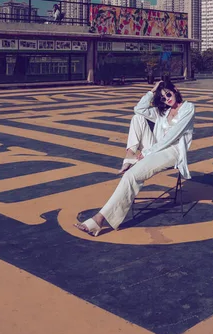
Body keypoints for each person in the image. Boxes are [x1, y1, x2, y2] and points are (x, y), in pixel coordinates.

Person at [74, 80, 195, 237]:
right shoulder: (163, 112)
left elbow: (172, 137)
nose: (167, 99)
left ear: (175, 90)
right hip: (157, 147)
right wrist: (152, 91)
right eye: (163, 97)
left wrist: (147, 152)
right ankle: (130, 156)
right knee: (137, 118)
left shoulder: (188, 108)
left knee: (130, 176)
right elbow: (139, 109)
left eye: (169, 94)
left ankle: (99, 219)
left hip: (173, 151)